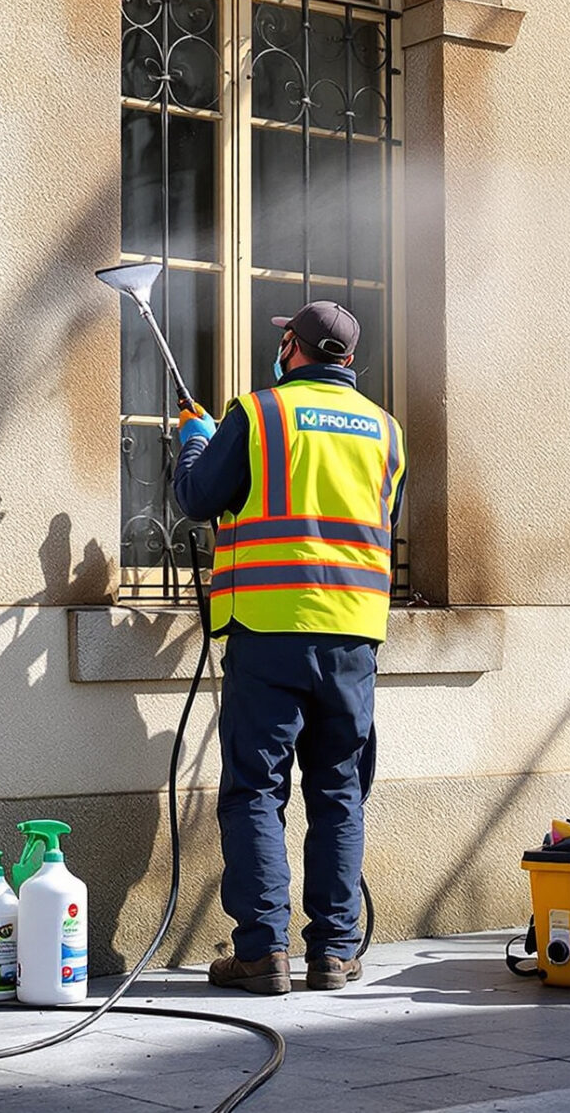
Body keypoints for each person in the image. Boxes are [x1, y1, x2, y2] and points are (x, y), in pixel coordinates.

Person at [171, 299, 405, 995]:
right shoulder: (388, 431)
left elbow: (197, 495)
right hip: (354, 636)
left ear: (295, 349)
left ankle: (262, 954)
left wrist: (196, 438)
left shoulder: (260, 412)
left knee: (255, 789)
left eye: (283, 344)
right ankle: (333, 953)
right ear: (349, 359)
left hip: (271, 628)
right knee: (338, 790)